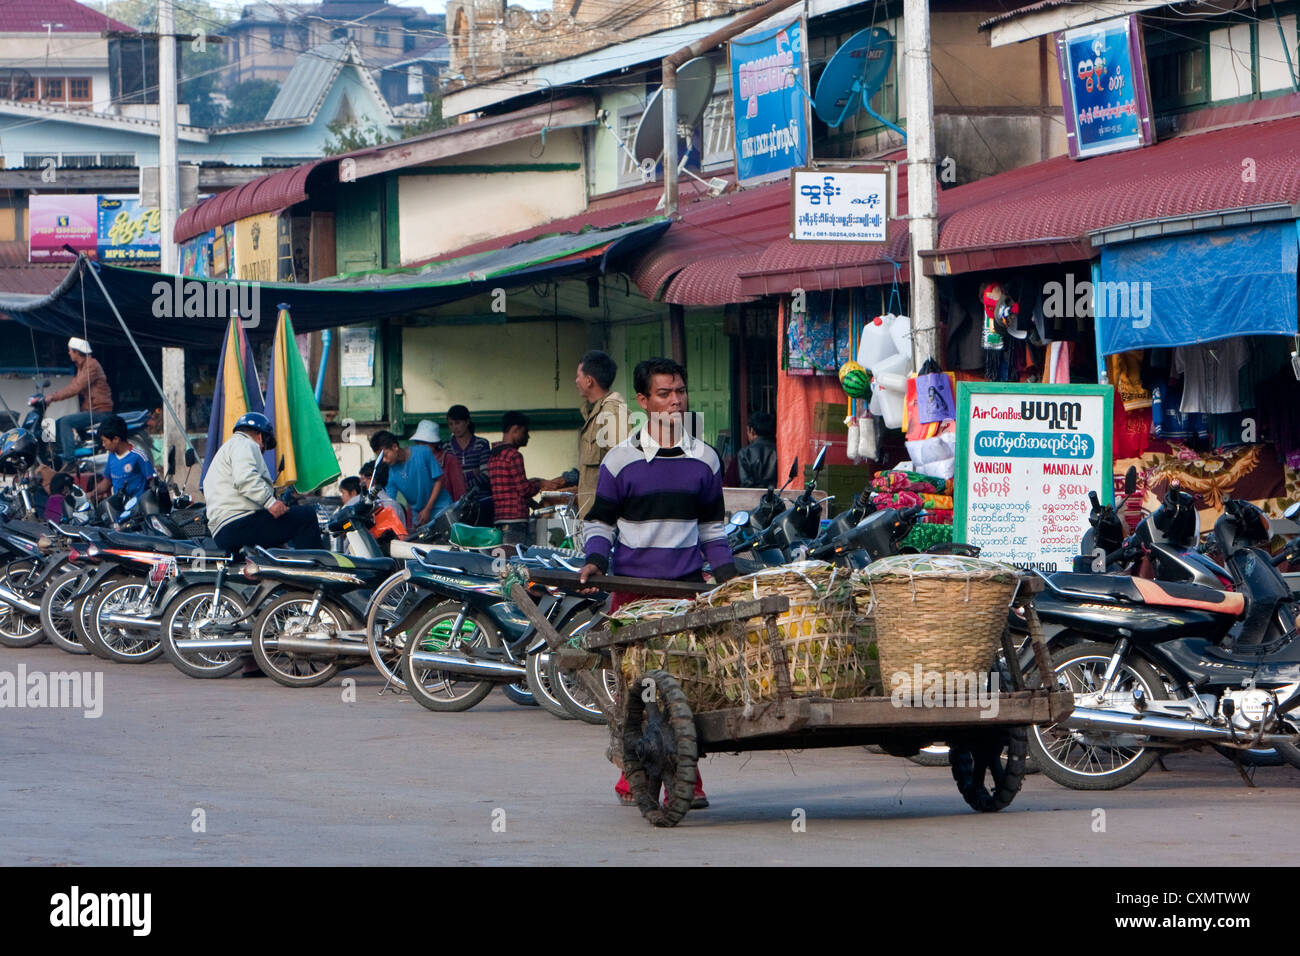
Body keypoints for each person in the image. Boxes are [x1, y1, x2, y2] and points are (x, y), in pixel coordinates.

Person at [578, 357, 738, 809]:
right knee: (637, 694)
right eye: (664, 394)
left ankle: (687, 779)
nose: (675, 401)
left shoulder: (705, 459)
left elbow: (712, 531)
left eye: (680, 392)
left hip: (685, 593)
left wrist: (726, 578)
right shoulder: (620, 459)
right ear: (644, 401)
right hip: (630, 595)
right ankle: (636, 776)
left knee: (685, 689)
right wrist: (594, 561)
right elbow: (601, 524)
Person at [203, 412, 323, 554]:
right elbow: (245, 478)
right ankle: (316, 569)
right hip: (239, 524)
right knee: (306, 517)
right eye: (266, 446)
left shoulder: (226, 450)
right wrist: (270, 502)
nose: (264, 451)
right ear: (260, 437)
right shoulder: (246, 444)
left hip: (223, 532)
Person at [486, 411, 563, 544]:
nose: (528, 436)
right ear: (515, 430)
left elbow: (513, 489)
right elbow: (524, 490)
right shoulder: (514, 455)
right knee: (516, 560)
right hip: (515, 520)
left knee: (506, 559)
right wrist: (540, 483)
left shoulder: (494, 455)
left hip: (499, 519)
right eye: (525, 431)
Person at [574, 350, 628, 519]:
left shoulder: (612, 410)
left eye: (578, 376)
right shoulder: (592, 412)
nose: (576, 381)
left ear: (589, 381)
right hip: (592, 514)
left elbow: (623, 462)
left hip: (607, 517)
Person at [44, 337, 113, 468]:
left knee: (65, 422)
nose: (69, 353)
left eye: (70, 351)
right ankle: (63, 455)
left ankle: (69, 459)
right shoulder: (82, 367)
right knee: (58, 422)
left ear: (77, 352)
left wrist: (53, 397)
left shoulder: (91, 366)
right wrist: (52, 396)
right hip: (91, 410)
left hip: (100, 411)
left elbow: (76, 388)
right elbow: (74, 385)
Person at [369, 429, 451, 528]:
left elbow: (439, 480)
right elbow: (390, 502)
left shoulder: (423, 452)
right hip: (420, 517)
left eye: (385, 455)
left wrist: (428, 509)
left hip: (442, 507)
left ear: (395, 447)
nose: (384, 460)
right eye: (381, 458)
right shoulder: (390, 474)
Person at [91, 414, 154, 503]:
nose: (103, 445)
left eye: (104, 441)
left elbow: (153, 482)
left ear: (116, 439)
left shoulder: (139, 456)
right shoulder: (111, 457)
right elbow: (107, 482)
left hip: (138, 510)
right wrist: (91, 494)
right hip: (119, 509)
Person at [412, 419, 466, 502]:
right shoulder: (415, 462)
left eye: (424, 443)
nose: (420, 446)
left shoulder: (449, 460)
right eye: (418, 442)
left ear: (434, 443)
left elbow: (459, 493)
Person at [445, 405, 491, 489]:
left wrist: (460, 484)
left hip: (481, 498)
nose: (454, 427)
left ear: (467, 421)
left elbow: (486, 475)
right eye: (451, 424)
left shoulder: (481, 444)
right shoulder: (446, 447)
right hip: (457, 500)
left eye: (458, 423)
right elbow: (447, 479)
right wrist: (473, 473)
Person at [737, 410, 778, 488]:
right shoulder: (780, 451)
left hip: (753, 498)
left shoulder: (745, 453)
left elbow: (746, 483)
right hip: (778, 497)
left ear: (751, 430)